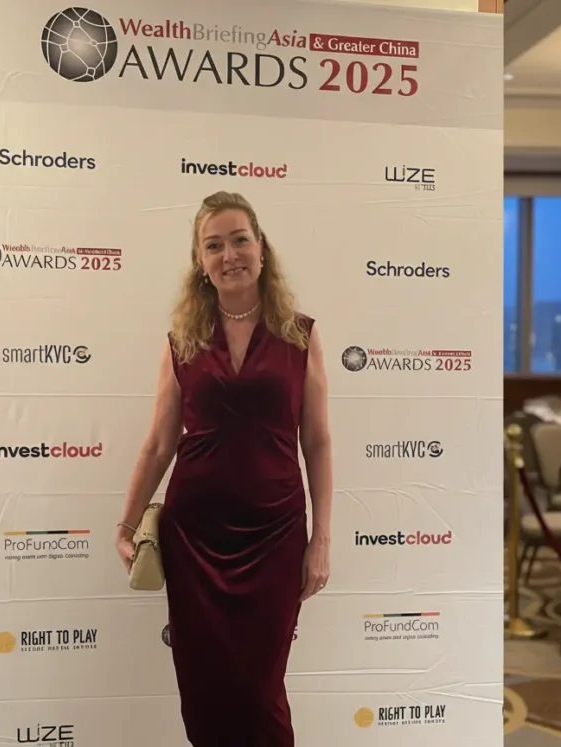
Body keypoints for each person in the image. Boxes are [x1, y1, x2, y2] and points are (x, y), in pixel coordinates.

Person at [115, 191, 333, 746]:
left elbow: (319, 442)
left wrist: (322, 539)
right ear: (200, 262)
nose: (229, 254)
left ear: (262, 249)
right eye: (214, 245)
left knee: (262, 693)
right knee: (206, 690)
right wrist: (126, 523)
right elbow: (159, 443)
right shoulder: (181, 341)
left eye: (239, 240)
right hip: (196, 540)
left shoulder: (300, 335)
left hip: (276, 535)